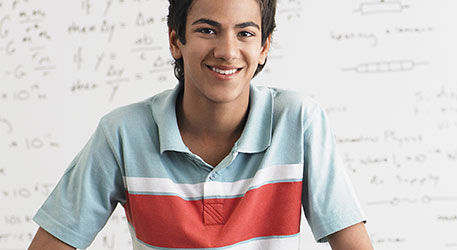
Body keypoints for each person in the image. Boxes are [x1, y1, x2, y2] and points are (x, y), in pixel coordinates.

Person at [27, 0, 373, 249]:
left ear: (265, 46)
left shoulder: (298, 121)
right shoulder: (122, 134)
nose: (226, 50)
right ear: (176, 40)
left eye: (245, 33)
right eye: (207, 30)